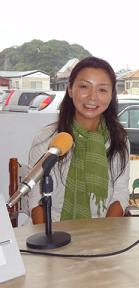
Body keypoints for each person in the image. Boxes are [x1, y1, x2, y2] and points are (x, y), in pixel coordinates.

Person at [27, 56, 130, 223]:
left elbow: (120, 193)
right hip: (55, 231)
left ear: (111, 94)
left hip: (102, 232)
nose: (92, 97)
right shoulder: (48, 138)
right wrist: (48, 240)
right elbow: (35, 199)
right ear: (70, 89)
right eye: (84, 87)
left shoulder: (118, 139)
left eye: (102, 90)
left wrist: (104, 234)